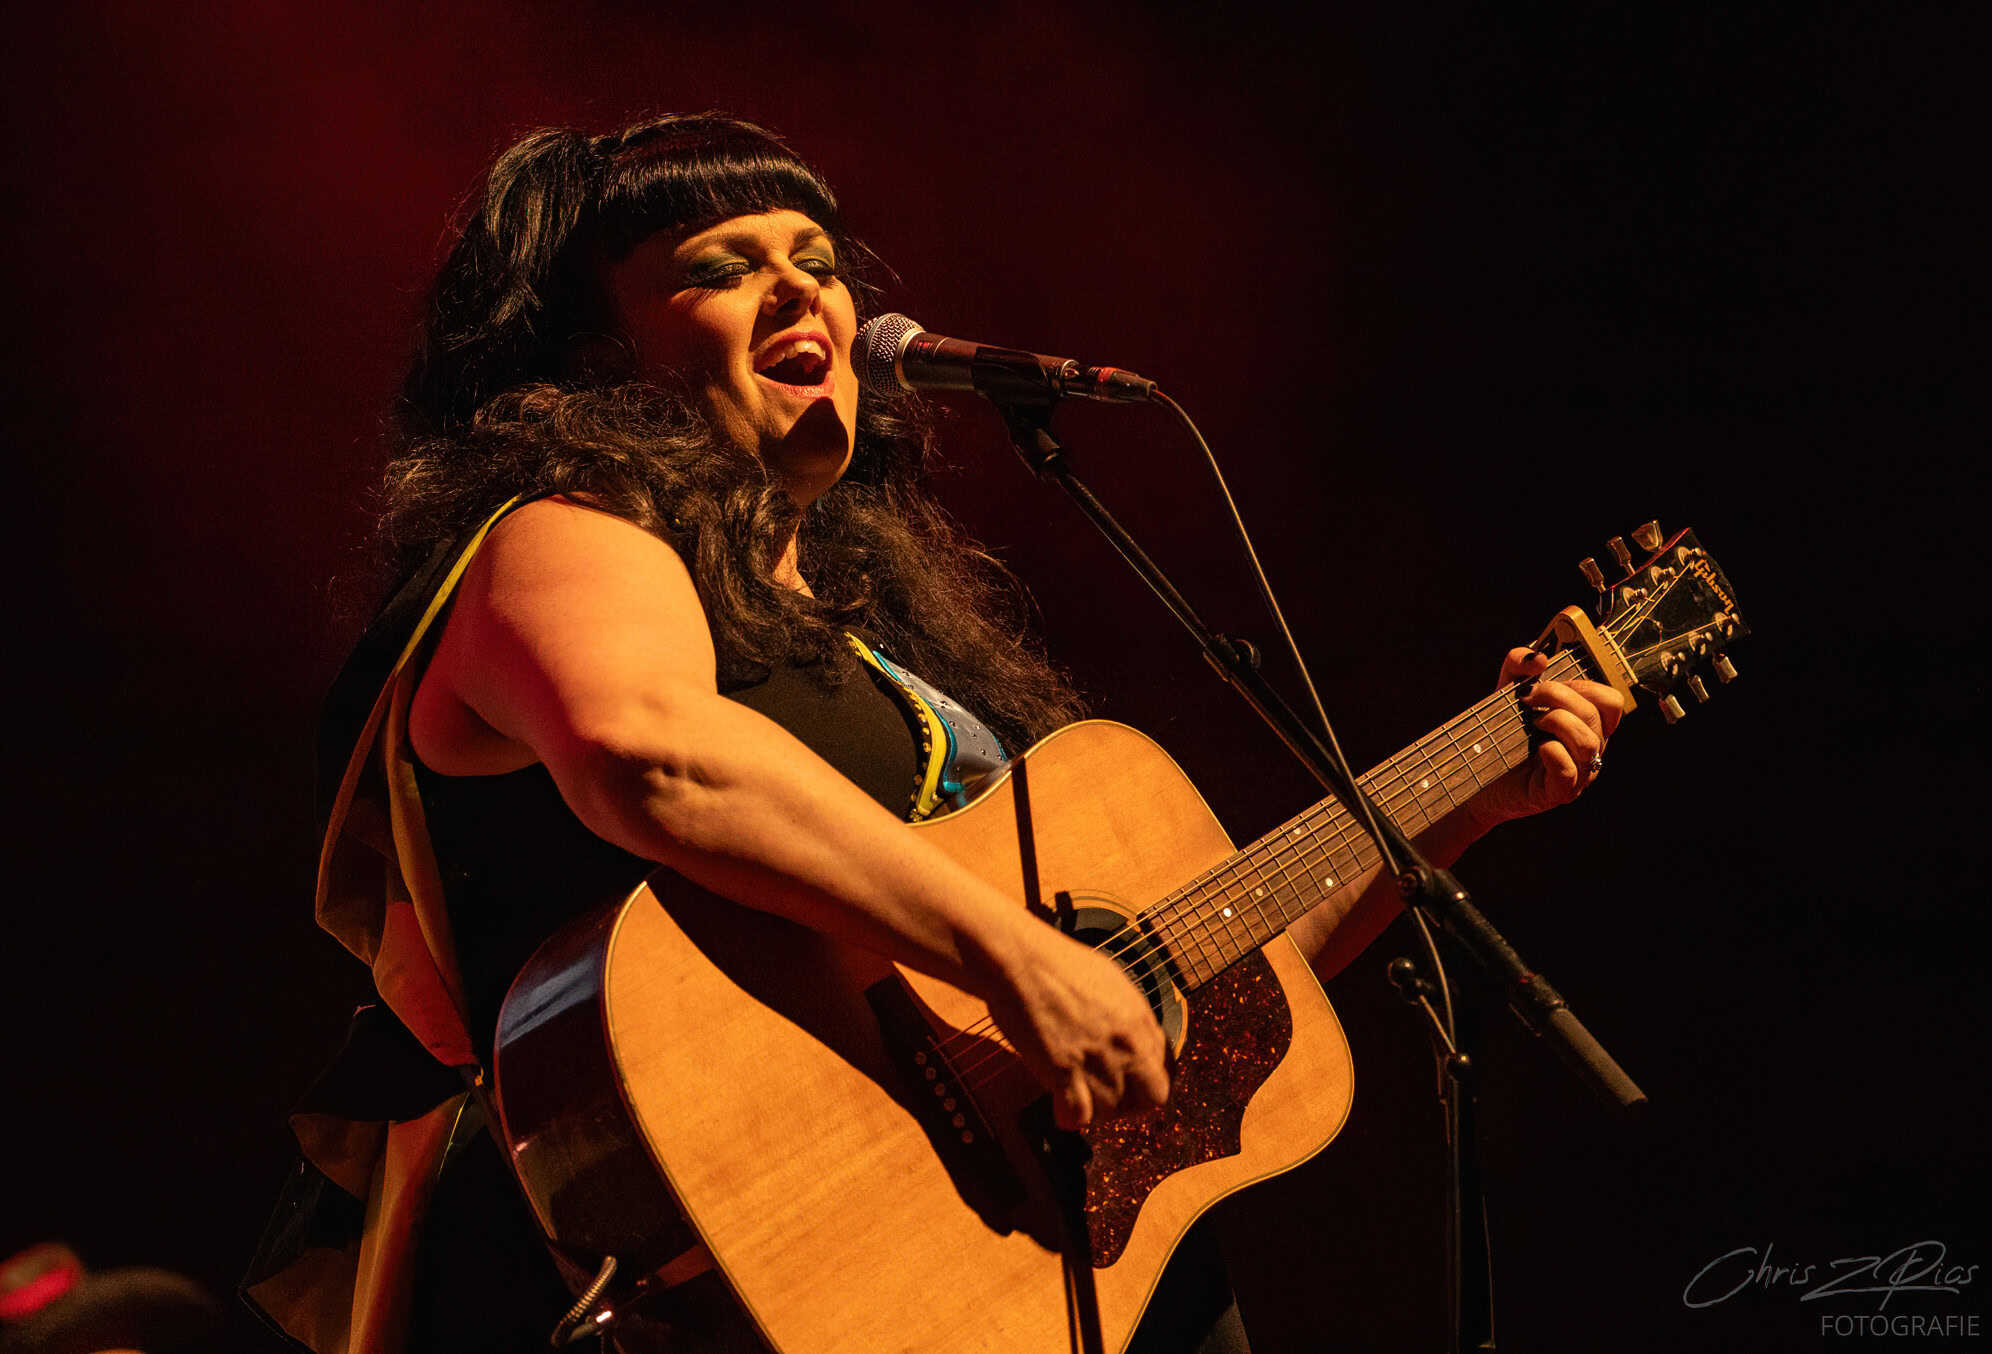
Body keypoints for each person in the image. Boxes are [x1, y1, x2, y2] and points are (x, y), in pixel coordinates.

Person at [244, 114, 1621, 1354]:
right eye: (723, 266)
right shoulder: (556, 533)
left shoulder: (877, 643)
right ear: (595, 352)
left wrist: (1470, 791)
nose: (803, 289)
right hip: (713, 1269)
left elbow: (1203, 982)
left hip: (1019, 1284)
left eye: (818, 259)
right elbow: (653, 753)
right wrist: (1014, 955)